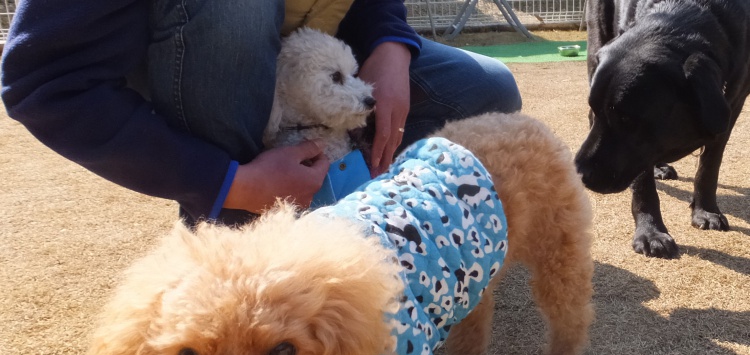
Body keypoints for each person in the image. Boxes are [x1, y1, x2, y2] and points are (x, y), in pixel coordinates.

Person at [1, 0, 522, 227]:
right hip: (195, 64)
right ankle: (234, 229)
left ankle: (364, 206)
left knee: (486, 88)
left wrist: (391, 43)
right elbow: (43, 80)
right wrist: (224, 182)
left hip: (319, 59)